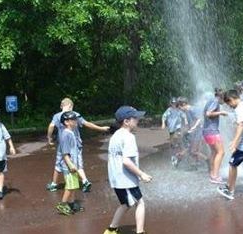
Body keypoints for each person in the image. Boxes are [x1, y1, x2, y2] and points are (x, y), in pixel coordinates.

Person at [104, 106, 153, 234]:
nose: (138, 120)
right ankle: (140, 231)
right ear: (126, 121)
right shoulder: (128, 137)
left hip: (116, 178)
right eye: (135, 118)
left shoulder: (116, 135)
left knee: (125, 204)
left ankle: (111, 229)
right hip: (125, 180)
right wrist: (141, 174)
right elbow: (126, 161)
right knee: (140, 203)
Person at [46, 98, 110, 192]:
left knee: (58, 163)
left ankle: (54, 184)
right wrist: (101, 128)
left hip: (63, 145)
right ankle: (85, 181)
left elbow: (51, 126)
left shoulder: (57, 116)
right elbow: (87, 124)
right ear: (71, 106)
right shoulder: (75, 115)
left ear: (61, 106)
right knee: (78, 163)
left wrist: (49, 138)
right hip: (76, 144)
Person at [55, 111, 84, 215]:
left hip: (73, 164)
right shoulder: (66, 135)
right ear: (66, 122)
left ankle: (71, 204)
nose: (76, 121)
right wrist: (70, 164)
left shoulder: (71, 133)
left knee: (74, 185)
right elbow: (65, 153)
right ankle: (62, 205)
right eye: (73, 119)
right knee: (70, 186)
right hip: (69, 166)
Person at [203, 88, 228, 184]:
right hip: (212, 131)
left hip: (207, 131)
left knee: (214, 152)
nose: (225, 102)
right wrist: (221, 113)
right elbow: (208, 113)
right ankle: (215, 176)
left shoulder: (210, 100)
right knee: (221, 152)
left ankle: (212, 174)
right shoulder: (215, 101)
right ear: (221, 97)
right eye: (225, 99)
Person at [177, 97, 208, 168]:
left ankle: (208, 160)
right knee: (191, 149)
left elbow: (199, 119)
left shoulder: (192, 109)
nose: (180, 109)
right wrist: (186, 130)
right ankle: (197, 162)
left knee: (193, 151)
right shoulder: (187, 111)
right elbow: (190, 123)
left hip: (199, 132)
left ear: (184, 104)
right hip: (195, 133)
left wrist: (194, 127)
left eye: (180, 107)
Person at [162, 97, 187, 167]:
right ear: (171, 103)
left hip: (177, 126)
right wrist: (163, 123)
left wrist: (185, 120)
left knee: (179, 136)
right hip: (171, 127)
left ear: (176, 104)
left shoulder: (178, 110)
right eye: (172, 103)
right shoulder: (169, 110)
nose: (174, 104)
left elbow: (183, 115)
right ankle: (173, 151)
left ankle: (180, 148)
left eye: (175, 103)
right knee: (172, 141)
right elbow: (164, 116)